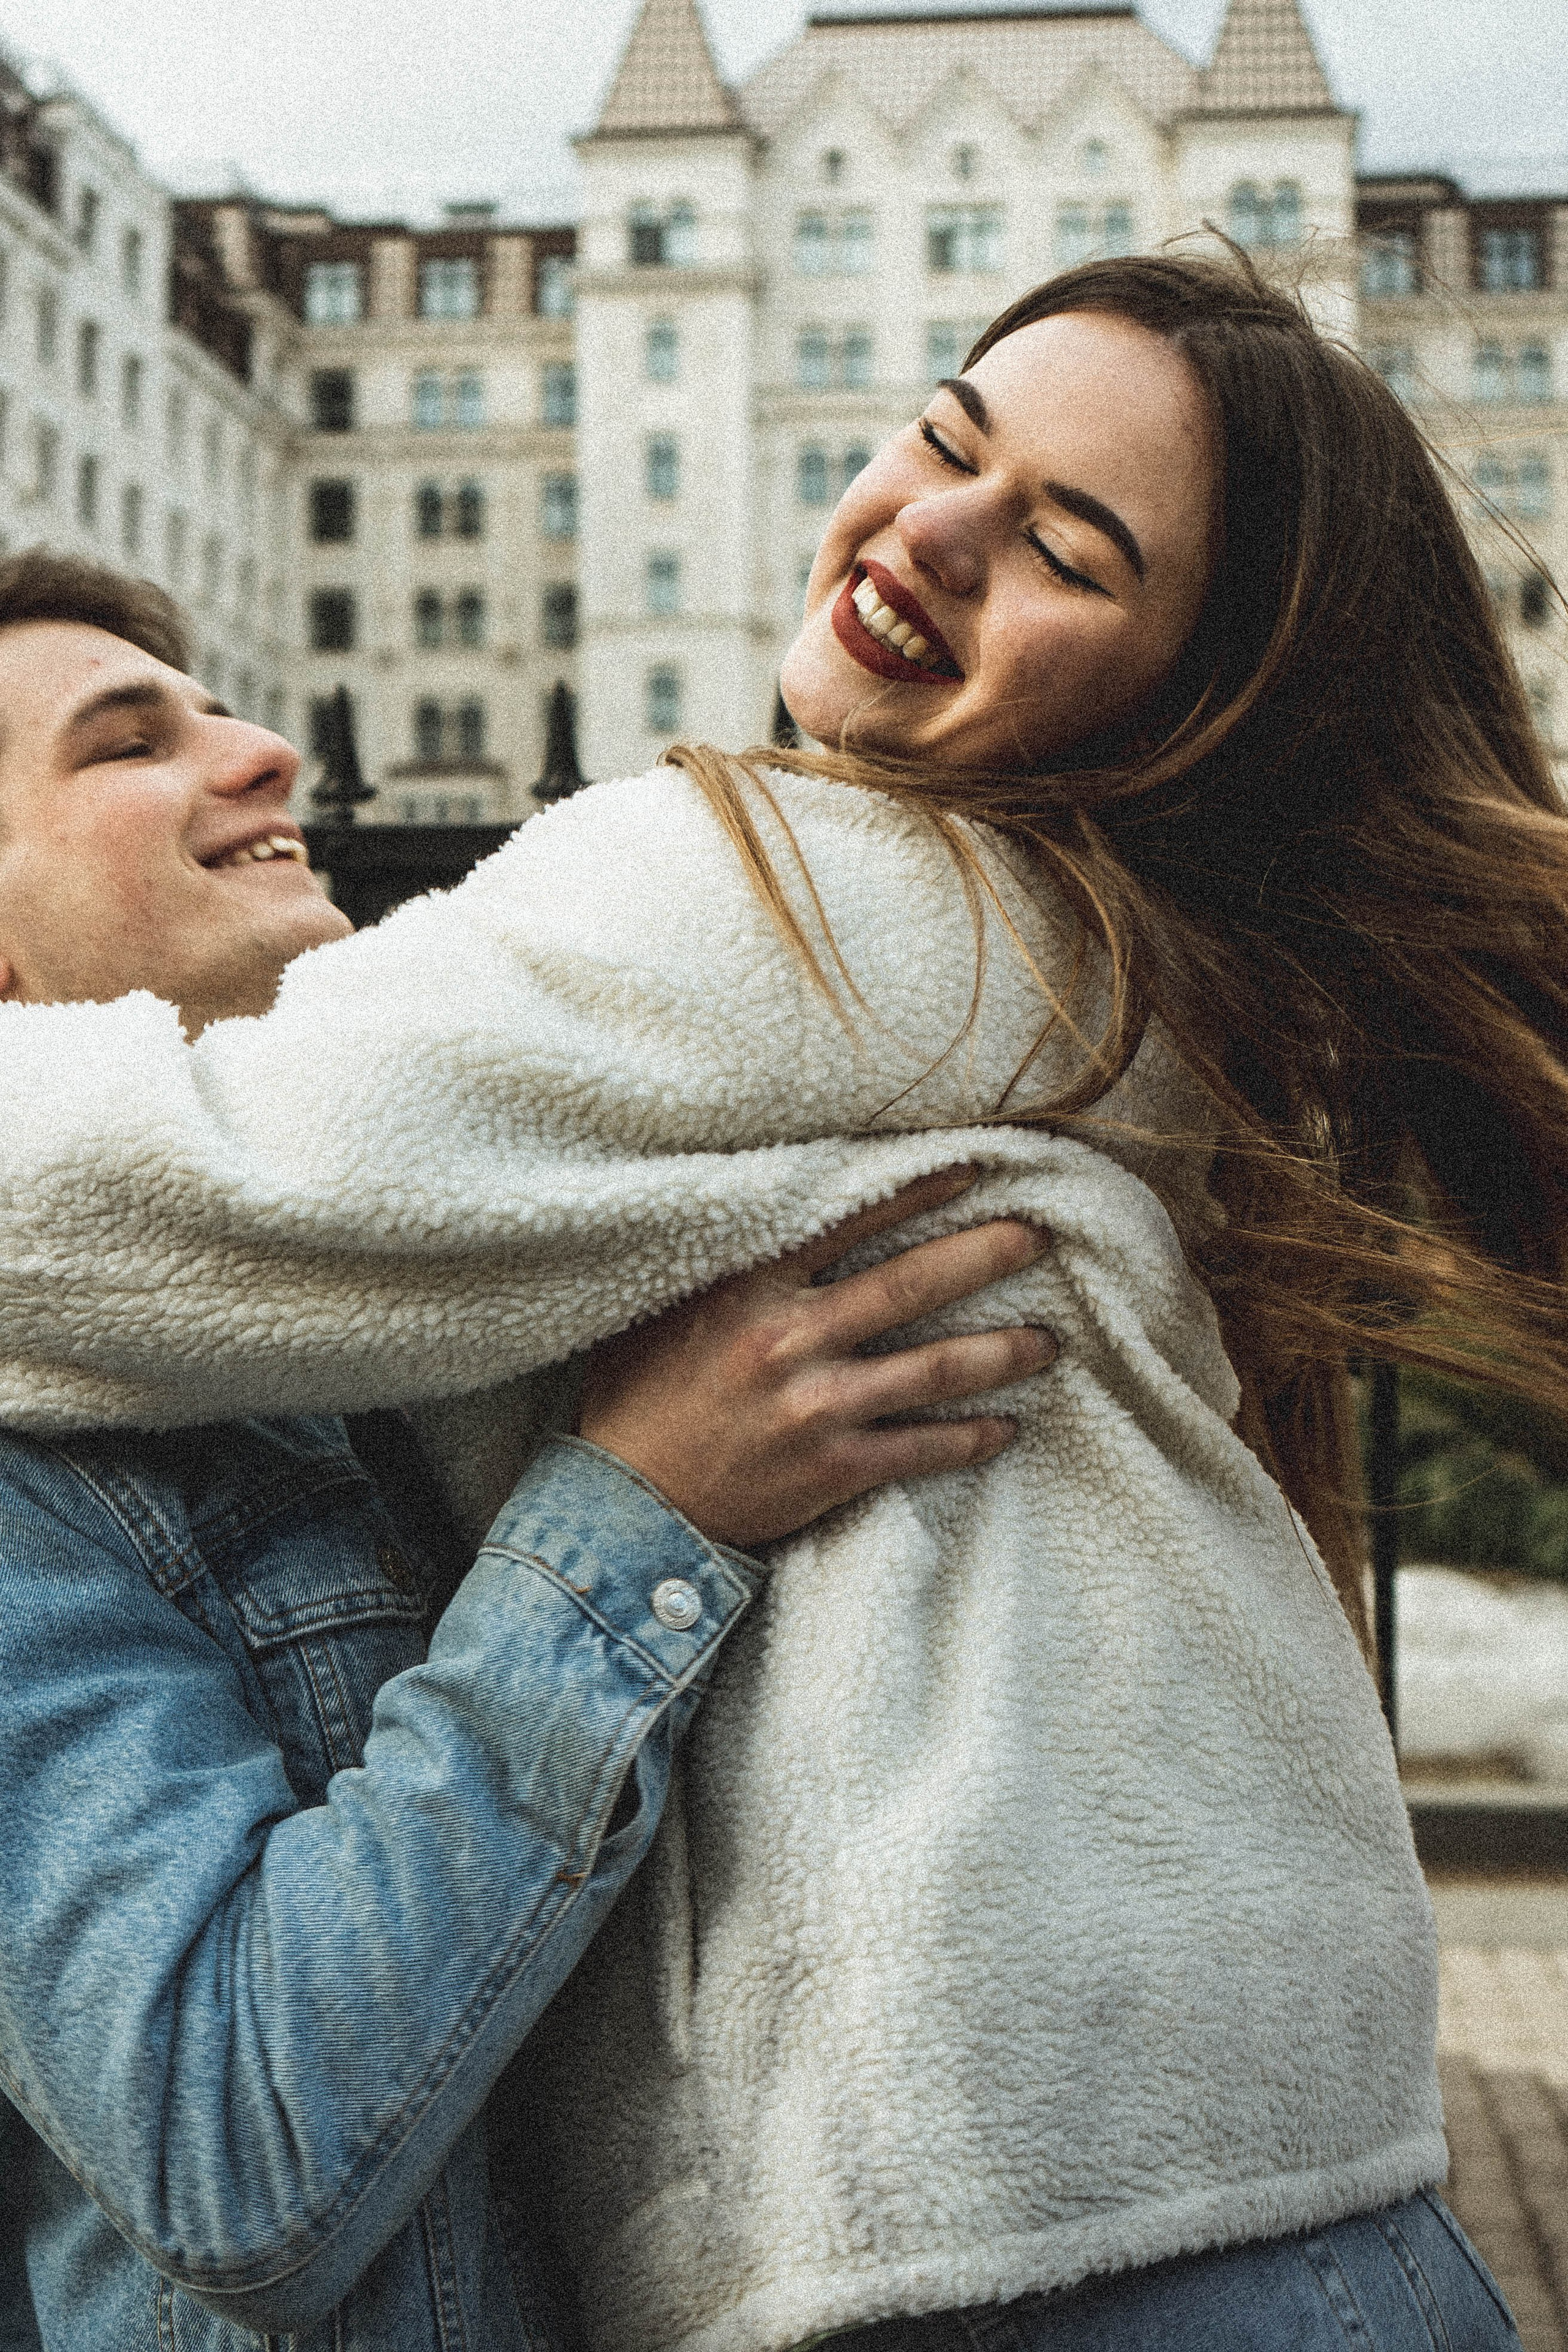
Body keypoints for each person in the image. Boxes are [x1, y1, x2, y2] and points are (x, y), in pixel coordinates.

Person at [0, 245, 1548, 2350]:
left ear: (1186, 704)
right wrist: (635, 1501)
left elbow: (174, 1182)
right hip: (1209, 2209)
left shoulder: (811, 895)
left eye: (1066, 549)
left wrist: (622, 1518)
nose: (929, 529)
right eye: (946, 439)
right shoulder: (1047, 967)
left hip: (1052, 2236)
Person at [0, 560, 1058, 2348]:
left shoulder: (405, 1321)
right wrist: (637, 1519)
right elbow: (232, 2141)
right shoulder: (35, 1455)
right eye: (130, 742)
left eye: (219, 704)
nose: (264, 754)